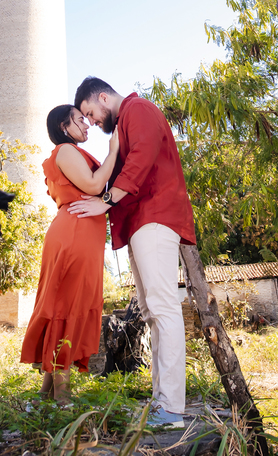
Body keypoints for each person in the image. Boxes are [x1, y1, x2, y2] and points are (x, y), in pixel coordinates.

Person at [68, 77, 196, 430]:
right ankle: (162, 404)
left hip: (155, 218)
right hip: (140, 221)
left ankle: (171, 409)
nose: (92, 122)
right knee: (153, 311)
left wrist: (104, 202)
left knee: (163, 308)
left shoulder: (137, 109)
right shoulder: (122, 124)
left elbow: (141, 158)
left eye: (91, 114)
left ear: (104, 97)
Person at [20, 104, 119, 404]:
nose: (87, 125)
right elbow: (92, 184)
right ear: (64, 127)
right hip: (74, 234)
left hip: (79, 233)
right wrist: (113, 150)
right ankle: (63, 397)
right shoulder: (65, 151)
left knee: (66, 303)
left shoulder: (68, 153)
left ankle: (46, 393)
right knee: (65, 306)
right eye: (80, 120)